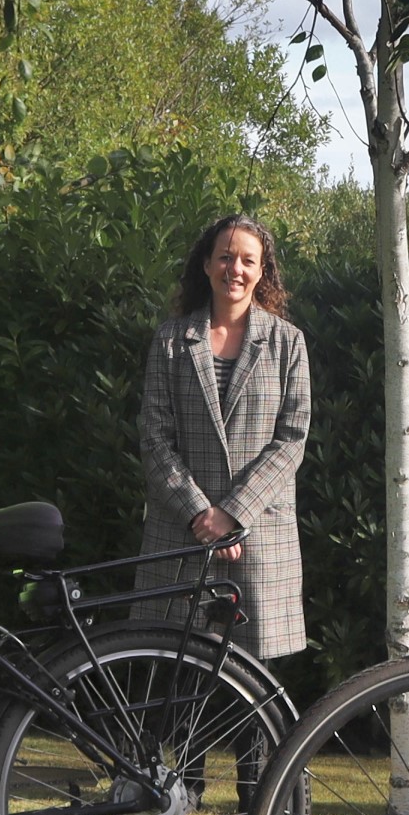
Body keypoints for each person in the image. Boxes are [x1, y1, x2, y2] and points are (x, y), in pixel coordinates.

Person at [138, 214, 311, 664]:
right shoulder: (172, 340)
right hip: (181, 533)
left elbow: (292, 439)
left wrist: (233, 514)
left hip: (258, 534)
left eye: (247, 261)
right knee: (170, 681)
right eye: (225, 257)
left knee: (255, 694)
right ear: (206, 264)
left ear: (261, 271)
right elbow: (154, 437)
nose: (235, 269)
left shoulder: (287, 342)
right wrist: (202, 514)